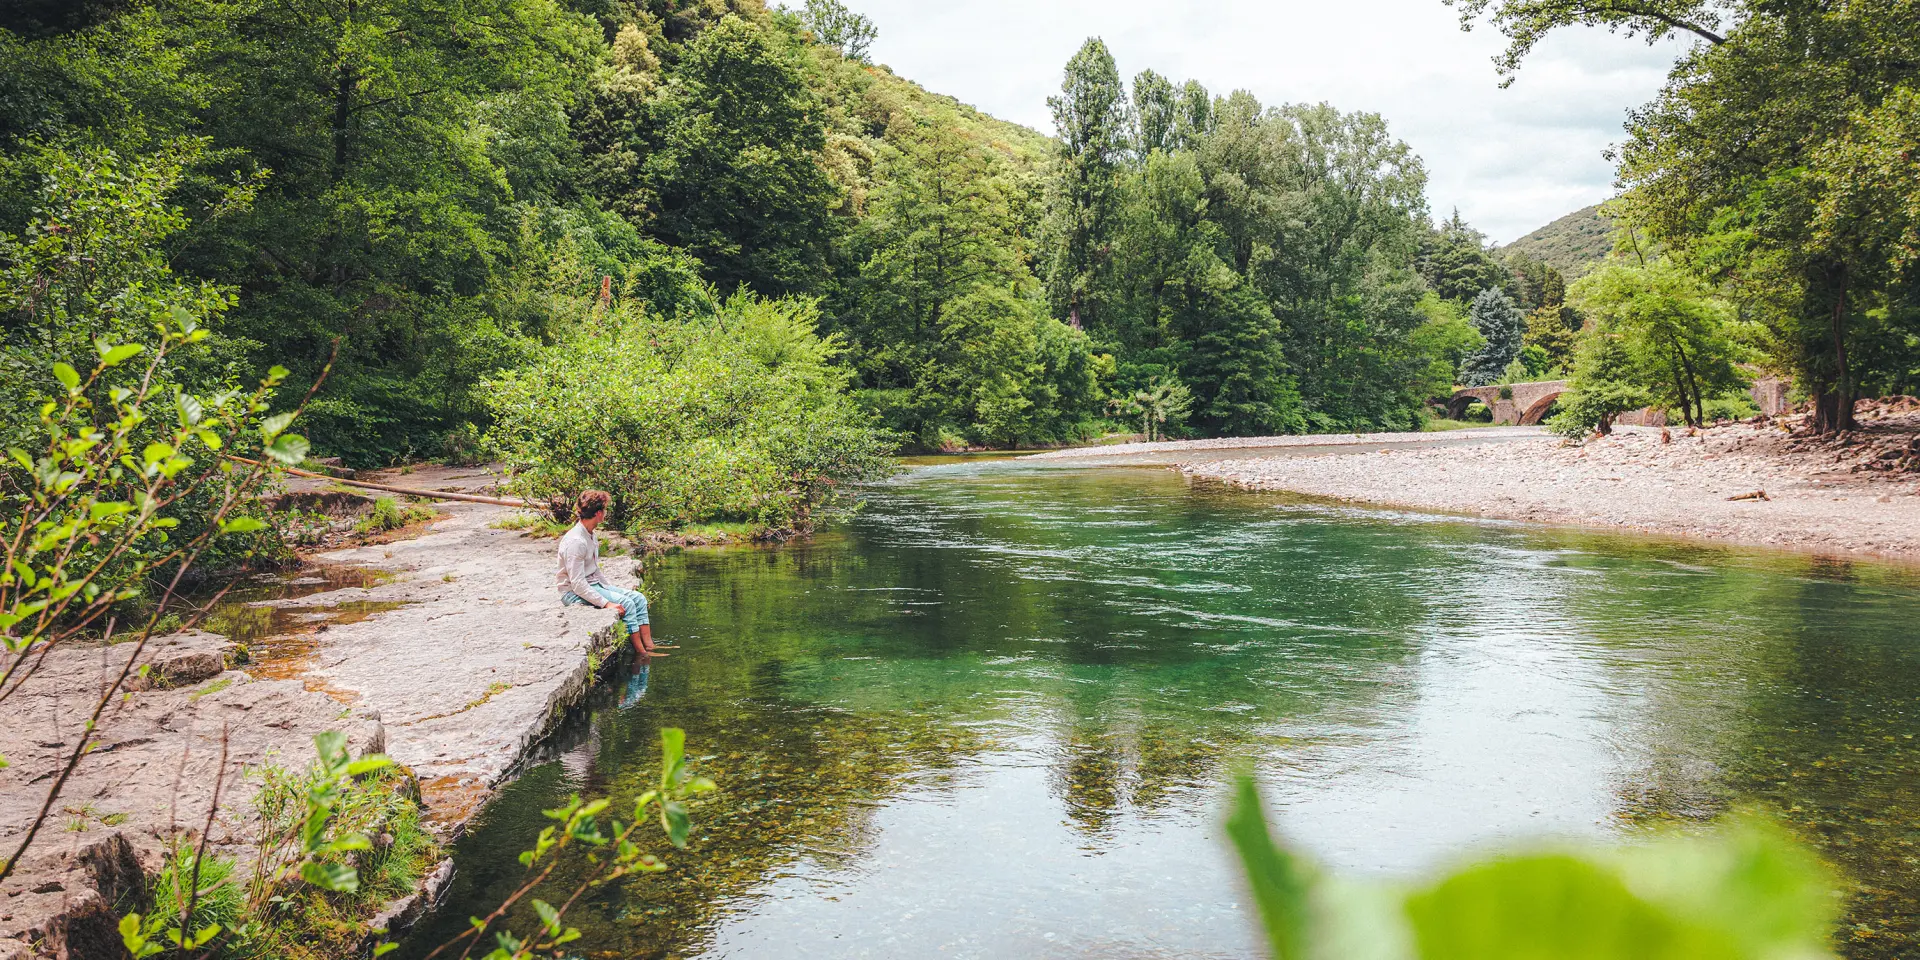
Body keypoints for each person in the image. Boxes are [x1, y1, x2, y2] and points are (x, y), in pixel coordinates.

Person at [556, 490, 672, 658]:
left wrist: (610, 589)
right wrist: (606, 603)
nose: (606, 513)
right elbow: (578, 584)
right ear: (598, 513)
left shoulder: (590, 534)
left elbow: (594, 569)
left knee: (639, 599)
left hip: (592, 585)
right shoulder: (576, 541)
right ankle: (642, 654)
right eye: (605, 509)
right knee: (627, 604)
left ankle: (650, 646)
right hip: (572, 593)